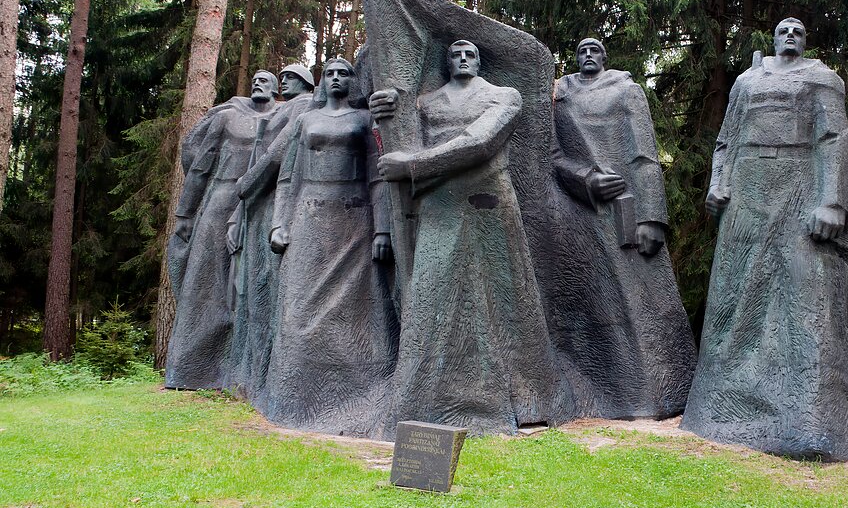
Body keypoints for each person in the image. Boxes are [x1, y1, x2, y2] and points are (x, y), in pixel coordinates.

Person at [371, 40, 571, 435]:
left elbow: (480, 144)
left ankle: (526, 397)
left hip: (488, 206)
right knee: (432, 299)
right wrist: (381, 115)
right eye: (456, 54)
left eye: (471, 54)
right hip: (438, 206)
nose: (463, 58)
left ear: (481, 61)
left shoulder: (504, 97)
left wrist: (413, 164)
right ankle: (426, 398)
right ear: (446, 63)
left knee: (504, 300)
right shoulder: (427, 104)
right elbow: (392, 142)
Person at [682, 18, 848, 459]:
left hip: (799, 178)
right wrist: (718, 182)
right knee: (735, 288)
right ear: (774, 39)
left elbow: (835, 138)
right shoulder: (747, 80)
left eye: (800, 30)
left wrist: (833, 202)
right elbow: (726, 139)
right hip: (747, 182)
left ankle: (807, 410)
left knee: (805, 289)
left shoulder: (822, 79)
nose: (792, 35)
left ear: (806, 40)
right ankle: (721, 404)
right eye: (784, 30)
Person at [549, 38, 696, 419]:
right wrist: (585, 179)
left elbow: (645, 155)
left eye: (595, 49)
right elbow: (552, 157)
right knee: (591, 299)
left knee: (643, 302)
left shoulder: (627, 92)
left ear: (605, 57)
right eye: (580, 49)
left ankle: (662, 392)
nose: (587, 55)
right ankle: (602, 392)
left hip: (627, 210)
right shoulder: (559, 96)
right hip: (579, 210)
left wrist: (652, 218)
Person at [265, 57, 396, 437]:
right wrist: (279, 223)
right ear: (322, 82)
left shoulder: (362, 120)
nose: (338, 78)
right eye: (331, 73)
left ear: (353, 81)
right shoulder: (305, 120)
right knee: (298, 308)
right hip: (308, 218)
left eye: (345, 73)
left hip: (354, 220)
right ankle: (294, 398)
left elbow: (377, 177)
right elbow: (288, 176)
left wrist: (382, 231)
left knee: (361, 310)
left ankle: (364, 395)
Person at [166, 71, 278, 390]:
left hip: (260, 204)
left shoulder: (285, 117)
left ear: (276, 89)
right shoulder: (227, 118)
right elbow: (201, 166)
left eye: (265, 80)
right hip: (220, 200)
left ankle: (247, 367)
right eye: (254, 79)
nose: (257, 83)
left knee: (250, 282)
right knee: (205, 280)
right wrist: (185, 213)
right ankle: (189, 368)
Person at [225, 63, 316, 399]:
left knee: (267, 285)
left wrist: (249, 183)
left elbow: (280, 151)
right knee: (253, 287)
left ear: (304, 82)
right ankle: (250, 371)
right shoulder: (288, 106)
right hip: (260, 201)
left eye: (290, 77)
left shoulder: (304, 105)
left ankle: (265, 374)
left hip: (275, 196)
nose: (284, 82)